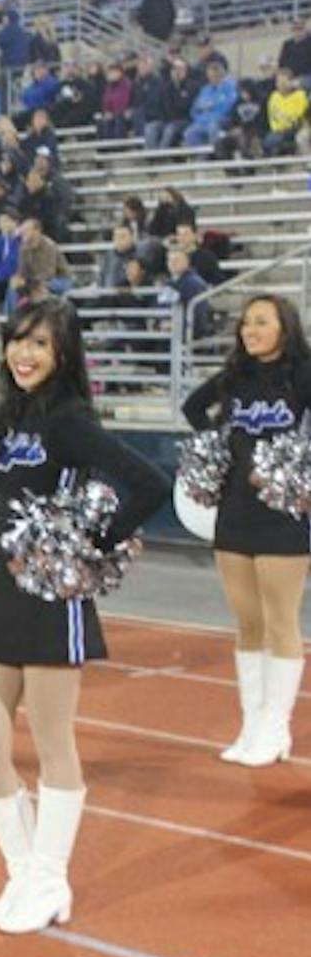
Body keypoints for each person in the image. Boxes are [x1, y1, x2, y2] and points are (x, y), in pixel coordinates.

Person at [0, 301, 169, 934]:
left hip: (54, 597)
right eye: (17, 341)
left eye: (39, 345)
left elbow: (151, 484)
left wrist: (92, 542)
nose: (24, 354)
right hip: (2, 595)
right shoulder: (5, 418)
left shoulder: (69, 421)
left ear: (62, 355)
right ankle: (22, 873)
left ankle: (51, 880)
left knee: (53, 742)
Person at [182, 295, 311, 767]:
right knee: (248, 622)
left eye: (261, 322)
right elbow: (193, 407)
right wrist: (219, 447)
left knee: (281, 621)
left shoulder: (303, 375)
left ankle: (277, 727)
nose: (250, 330)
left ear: (285, 328)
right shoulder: (235, 376)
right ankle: (252, 724)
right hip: (235, 509)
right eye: (245, 323)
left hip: (282, 512)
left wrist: (297, 467)